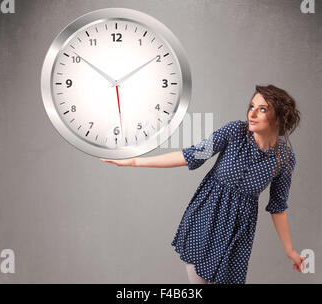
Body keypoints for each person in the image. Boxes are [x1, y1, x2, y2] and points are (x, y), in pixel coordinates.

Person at [100, 84, 305, 284]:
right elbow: (192, 155)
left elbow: (278, 207)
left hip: (239, 228)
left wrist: (290, 251)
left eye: (262, 110)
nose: (251, 114)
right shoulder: (235, 132)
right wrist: (135, 161)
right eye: (252, 106)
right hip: (206, 216)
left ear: (279, 117)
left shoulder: (284, 159)